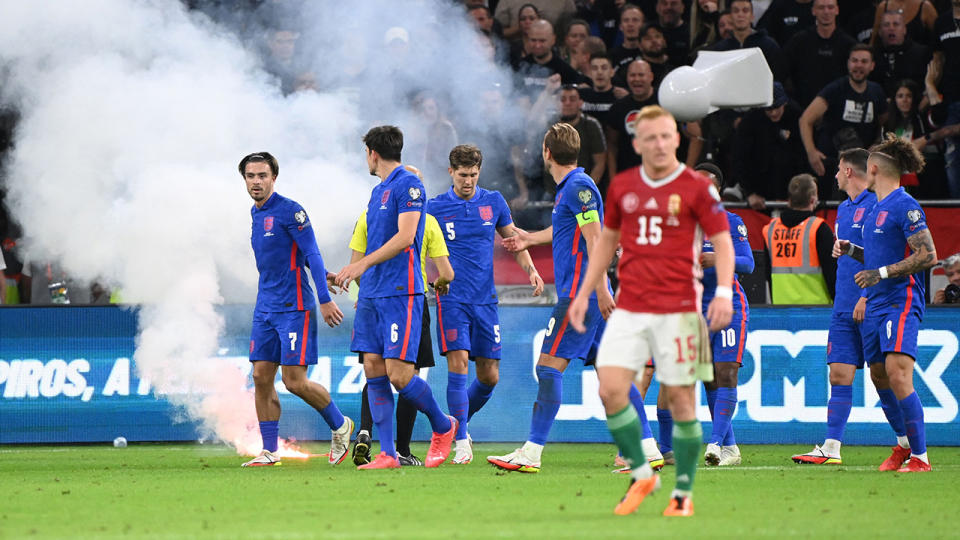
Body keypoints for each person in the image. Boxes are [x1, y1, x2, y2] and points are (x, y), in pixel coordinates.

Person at [567, 105, 734, 517]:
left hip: (679, 308)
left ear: (676, 140)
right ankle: (644, 473)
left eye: (666, 136)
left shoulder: (698, 188)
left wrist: (725, 292)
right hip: (631, 305)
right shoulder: (623, 186)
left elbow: (724, 242)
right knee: (610, 388)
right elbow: (605, 243)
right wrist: (586, 291)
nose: (659, 144)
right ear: (638, 143)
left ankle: (683, 492)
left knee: (680, 400)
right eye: (650, 137)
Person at [486, 123, 619, 473]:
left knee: (547, 368)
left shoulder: (579, 187)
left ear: (547, 152)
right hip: (588, 294)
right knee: (610, 376)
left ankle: (531, 451)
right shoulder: (571, 189)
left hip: (581, 295)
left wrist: (602, 289)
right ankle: (645, 448)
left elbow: (595, 239)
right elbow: (566, 229)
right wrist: (530, 238)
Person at [335, 126, 457, 469]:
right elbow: (375, 244)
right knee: (373, 370)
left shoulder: (409, 184)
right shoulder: (377, 193)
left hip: (400, 293)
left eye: (366, 154)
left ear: (372, 153)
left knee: (400, 375)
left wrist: (360, 266)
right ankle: (387, 453)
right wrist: (352, 272)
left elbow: (405, 238)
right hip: (372, 295)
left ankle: (444, 425)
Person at [791, 148, 912, 466]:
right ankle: (831, 448)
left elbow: (884, 255)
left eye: (837, 169)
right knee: (839, 374)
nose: (832, 176)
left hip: (869, 304)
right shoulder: (844, 209)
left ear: (848, 172)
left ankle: (905, 441)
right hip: (842, 306)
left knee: (879, 376)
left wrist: (864, 297)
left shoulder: (878, 204)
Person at [427, 144, 545, 465]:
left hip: (485, 301)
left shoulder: (492, 202)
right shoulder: (434, 207)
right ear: (451, 172)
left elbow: (514, 241)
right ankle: (462, 439)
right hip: (451, 298)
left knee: (489, 376)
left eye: (474, 175)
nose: (468, 181)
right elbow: (420, 247)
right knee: (459, 364)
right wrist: (427, 276)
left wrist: (531, 270)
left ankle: (453, 424)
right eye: (463, 175)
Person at [238, 151, 354, 467]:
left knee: (294, 381)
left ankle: (341, 426)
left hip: (294, 306)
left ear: (274, 178)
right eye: (251, 176)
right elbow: (290, 256)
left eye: (262, 175)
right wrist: (322, 274)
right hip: (266, 307)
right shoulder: (255, 213)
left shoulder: (291, 211)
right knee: (261, 375)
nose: (256, 182)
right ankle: (270, 450)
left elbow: (311, 253)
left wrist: (324, 297)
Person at [835, 134, 939, 472]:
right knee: (879, 375)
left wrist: (879, 273)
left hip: (900, 299)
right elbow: (879, 255)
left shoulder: (904, 205)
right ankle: (904, 445)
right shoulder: (874, 209)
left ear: (874, 167)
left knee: (897, 373)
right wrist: (852, 250)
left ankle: (921, 459)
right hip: (876, 302)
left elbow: (927, 255)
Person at [694, 162, 754, 468]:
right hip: (695, 309)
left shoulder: (730, 221)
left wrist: (716, 258)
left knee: (727, 371)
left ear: (717, 189)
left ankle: (715, 442)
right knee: (709, 380)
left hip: (728, 304)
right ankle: (730, 446)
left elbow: (748, 264)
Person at [800, 44, 887, 199]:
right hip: (833, 165)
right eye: (855, 61)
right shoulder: (835, 89)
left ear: (872, 66)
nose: (858, 65)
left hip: (862, 167)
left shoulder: (876, 91)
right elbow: (805, 120)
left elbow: (885, 123)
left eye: (864, 61)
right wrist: (811, 152)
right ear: (848, 63)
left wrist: (878, 143)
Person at [762, 174, 837, 304]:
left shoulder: (770, 229)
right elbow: (832, 273)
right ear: (813, 200)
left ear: (789, 200)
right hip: (817, 309)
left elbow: (767, 273)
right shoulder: (819, 228)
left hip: (781, 307)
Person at [734, 82, 807, 210]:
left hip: (790, 185)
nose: (773, 113)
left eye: (777, 107)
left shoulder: (797, 117)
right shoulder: (750, 121)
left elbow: (801, 157)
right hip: (759, 187)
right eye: (768, 109)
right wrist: (750, 193)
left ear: (784, 103)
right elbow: (741, 158)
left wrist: (796, 193)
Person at [782, 0, 856, 108]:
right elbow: (782, 70)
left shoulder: (849, 45)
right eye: (821, 8)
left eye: (830, 7)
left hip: (838, 109)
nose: (826, 12)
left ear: (837, 10)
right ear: (813, 11)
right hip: (803, 107)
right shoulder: (799, 41)